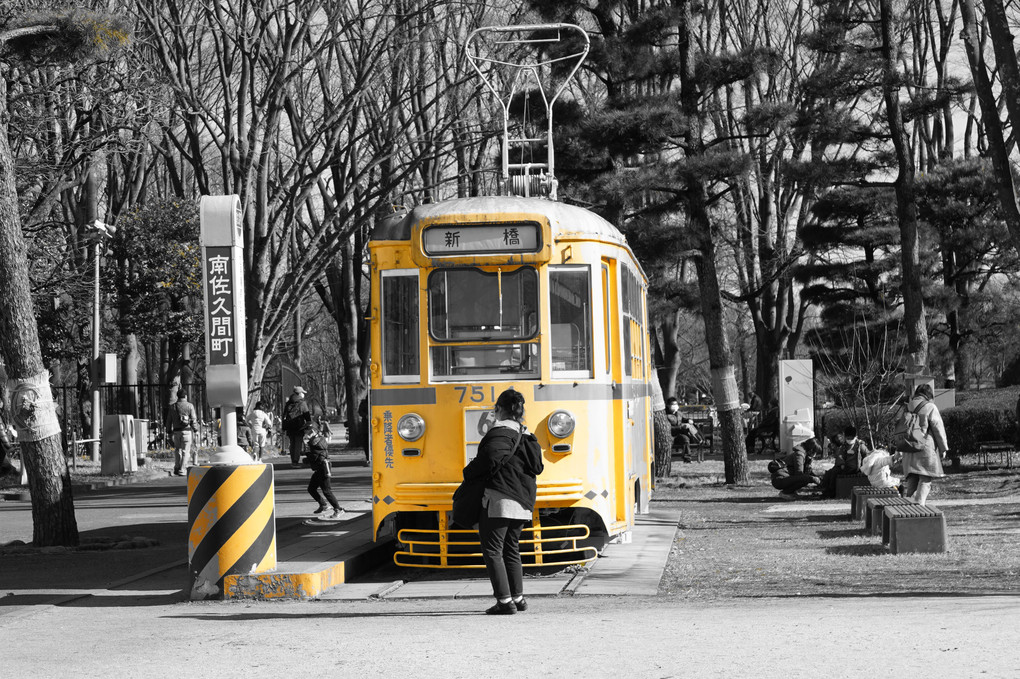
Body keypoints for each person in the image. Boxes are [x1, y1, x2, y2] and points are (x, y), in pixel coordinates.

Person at [460, 388, 544, 615]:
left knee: (493, 550)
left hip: (499, 501)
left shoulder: (499, 434)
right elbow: (537, 467)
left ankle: (505, 602)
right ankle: (518, 598)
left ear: (498, 410)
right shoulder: (527, 436)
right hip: (522, 502)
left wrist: (468, 471)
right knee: (511, 550)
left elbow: (488, 461)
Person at [901, 384, 948, 506]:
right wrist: (943, 448)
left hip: (908, 449)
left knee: (912, 478)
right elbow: (938, 428)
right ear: (928, 395)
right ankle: (919, 508)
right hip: (924, 449)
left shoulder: (907, 406)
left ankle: (907, 507)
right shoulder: (930, 407)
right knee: (925, 478)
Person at [303, 425, 344, 519]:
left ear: (314, 432)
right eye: (306, 432)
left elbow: (316, 454)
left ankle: (338, 509)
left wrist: (307, 455)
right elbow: (312, 455)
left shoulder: (318, 441)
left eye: (309, 432)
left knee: (327, 491)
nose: (307, 434)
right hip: (318, 469)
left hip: (324, 468)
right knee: (311, 488)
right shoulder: (313, 441)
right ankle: (323, 504)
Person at [167, 389, 199, 476]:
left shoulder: (172, 407)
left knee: (177, 450)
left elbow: (169, 420)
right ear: (185, 396)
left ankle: (177, 467)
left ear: (178, 396)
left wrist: (169, 432)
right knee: (186, 451)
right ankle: (182, 469)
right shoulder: (190, 406)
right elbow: (193, 419)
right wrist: (195, 429)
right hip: (187, 431)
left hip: (176, 432)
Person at [282, 386, 312, 465]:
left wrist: (284, 426)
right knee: (298, 444)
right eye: (302, 393)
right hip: (299, 426)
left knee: (292, 443)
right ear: (300, 393)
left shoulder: (288, 403)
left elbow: (284, 415)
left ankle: (293, 459)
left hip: (289, 426)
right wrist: (308, 423)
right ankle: (295, 461)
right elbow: (307, 415)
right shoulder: (302, 403)